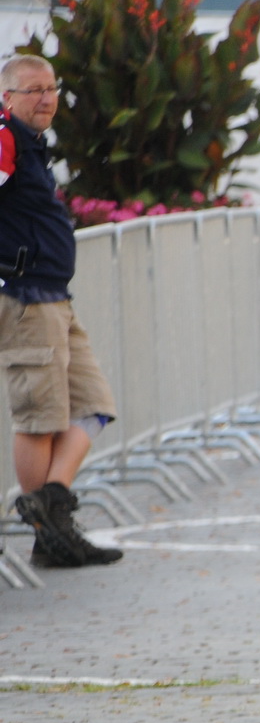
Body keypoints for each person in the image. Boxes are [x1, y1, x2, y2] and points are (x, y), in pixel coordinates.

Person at [0, 55, 122, 568]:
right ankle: (48, 534)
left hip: (55, 296)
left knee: (94, 405)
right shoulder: (6, 139)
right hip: (27, 298)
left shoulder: (32, 146)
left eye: (51, 88)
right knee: (39, 419)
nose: (46, 97)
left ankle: (50, 508)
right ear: (7, 98)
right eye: (33, 90)